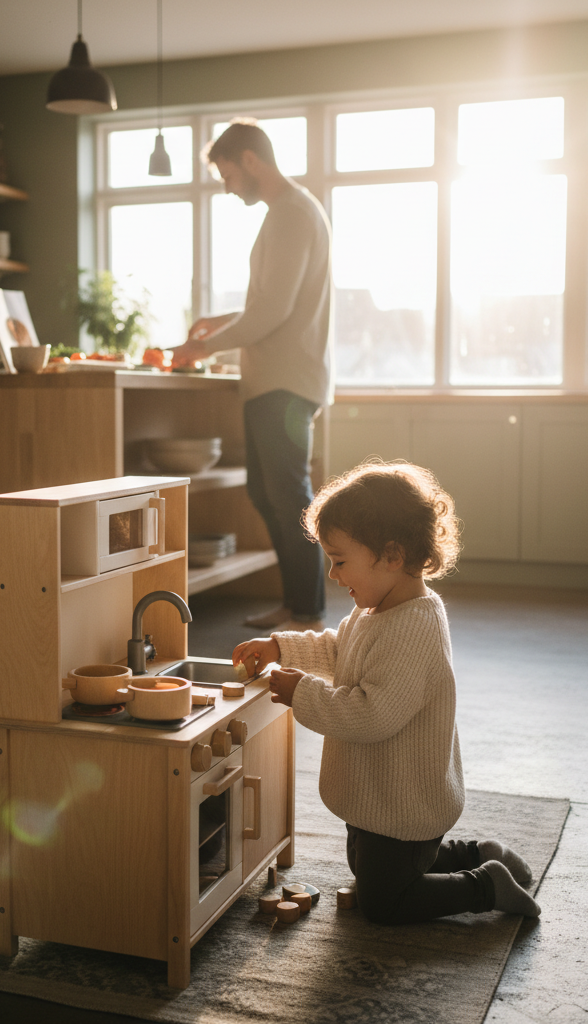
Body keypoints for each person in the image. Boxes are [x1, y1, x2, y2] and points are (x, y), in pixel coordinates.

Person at [231, 461, 541, 924]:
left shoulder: (414, 625)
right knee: (371, 867)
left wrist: (304, 694)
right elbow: (340, 652)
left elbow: (373, 714)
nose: (333, 575)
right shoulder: (376, 610)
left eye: (339, 560)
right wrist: (281, 645)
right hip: (378, 791)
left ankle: (485, 885)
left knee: (384, 900)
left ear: (392, 556)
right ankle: (478, 852)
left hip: (405, 796)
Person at [170, 120, 331, 633]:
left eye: (227, 173)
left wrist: (201, 346)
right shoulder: (290, 212)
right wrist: (219, 322)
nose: (226, 185)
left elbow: (273, 311)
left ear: (250, 161)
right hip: (278, 380)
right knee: (270, 494)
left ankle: (305, 612)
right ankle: (297, 606)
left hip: (284, 384)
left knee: (288, 496)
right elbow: (266, 303)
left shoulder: (290, 215)